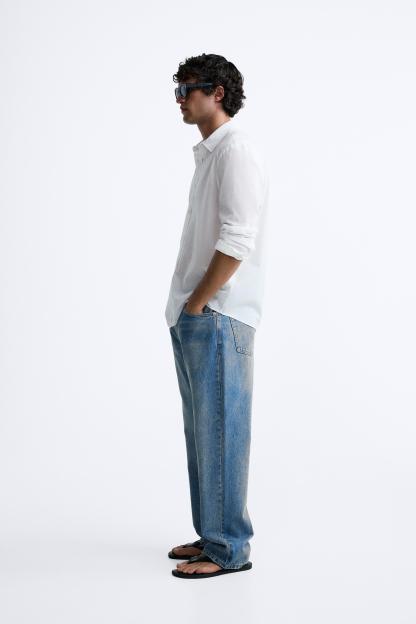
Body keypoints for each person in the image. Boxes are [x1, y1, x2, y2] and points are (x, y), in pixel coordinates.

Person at [165, 53, 269, 579]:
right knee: (203, 434)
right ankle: (212, 534)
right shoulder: (210, 154)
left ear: (218, 92)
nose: (180, 99)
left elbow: (237, 240)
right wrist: (187, 307)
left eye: (188, 89)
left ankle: (229, 548)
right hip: (197, 314)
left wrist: (200, 302)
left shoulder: (236, 150)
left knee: (222, 432)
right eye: (177, 90)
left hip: (218, 315)